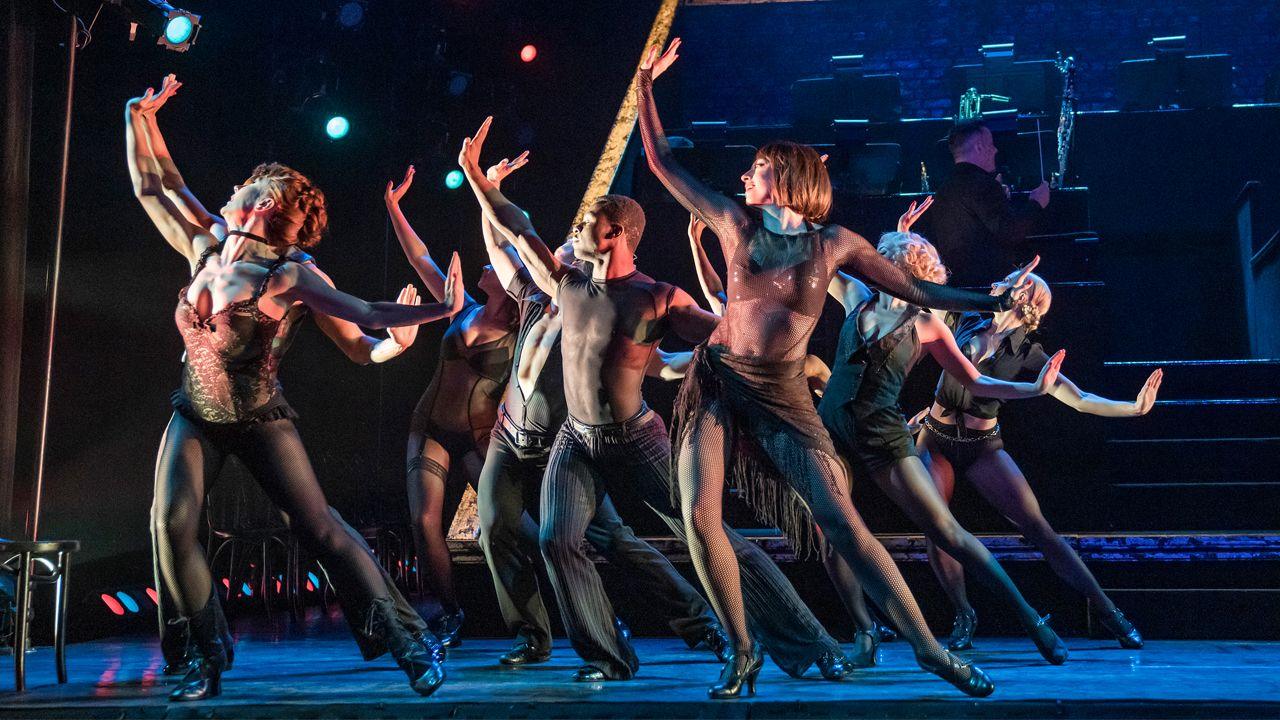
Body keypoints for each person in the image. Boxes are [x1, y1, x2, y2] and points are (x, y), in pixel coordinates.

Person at [637, 39, 1029, 699]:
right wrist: (645, 86)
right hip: (718, 383)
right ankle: (742, 651)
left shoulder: (836, 244)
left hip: (785, 396)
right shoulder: (734, 223)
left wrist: (990, 298)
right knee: (699, 513)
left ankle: (930, 651)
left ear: (784, 179)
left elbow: (920, 292)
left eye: (757, 169)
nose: (743, 178)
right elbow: (660, 158)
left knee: (842, 521)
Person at [458, 118, 854, 683]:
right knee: (555, 538)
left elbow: (726, 336)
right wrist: (476, 177)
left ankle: (811, 642)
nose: (579, 230)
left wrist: (786, 353)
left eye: (589, 223)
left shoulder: (656, 297)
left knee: (714, 537)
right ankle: (606, 658)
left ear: (616, 232)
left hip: (637, 440)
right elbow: (515, 226)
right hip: (577, 439)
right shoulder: (564, 285)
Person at [128, 75, 454, 700]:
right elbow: (155, 183)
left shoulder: (289, 275)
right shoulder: (208, 248)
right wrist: (135, 117)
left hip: (259, 418)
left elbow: (366, 321)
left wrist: (427, 320)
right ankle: (201, 657)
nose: (229, 190)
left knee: (321, 530)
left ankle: (409, 643)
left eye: (242, 188)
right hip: (194, 412)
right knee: (169, 523)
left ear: (264, 204)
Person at [815, 229, 1070, 669]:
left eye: (885, 261)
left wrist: (1033, 388)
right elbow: (823, 251)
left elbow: (975, 380)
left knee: (946, 531)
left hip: (883, 434)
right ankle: (864, 632)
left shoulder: (927, 322)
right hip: (831, 429)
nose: (872, 266)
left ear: (906, 273)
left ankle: (1030, 619)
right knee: (830, 533)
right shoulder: (856, 293)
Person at [914, 271, 1161, 652]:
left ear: (1029, 300)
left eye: (1020, 281)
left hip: (983, 446)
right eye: (1012, 277)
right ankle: (963, 613)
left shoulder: (1028, 352)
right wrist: (906, 240)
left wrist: (1132, 409)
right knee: (936, 525)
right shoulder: (963, 317)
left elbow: (1077, 397)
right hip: (936, 439)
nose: (1006, 281)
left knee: (1038, 528)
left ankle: (1110, 611)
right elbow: (921, 292)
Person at [385, 164, 518, 645]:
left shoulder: (520, 331)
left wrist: (493, 192)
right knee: (424, 522)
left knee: (504, 526)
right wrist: (394, 208)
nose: (486, 265)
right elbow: (421, 260)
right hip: (430, 427)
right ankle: (452, 612)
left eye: (495, 267)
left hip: (479, 436)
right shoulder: (461, 307)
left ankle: (525, 613)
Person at [920, 120, 1049, 286]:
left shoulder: (944, 189)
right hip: (990, 286)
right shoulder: (983, 185)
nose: (995, 150)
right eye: (991, 144)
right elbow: (1010, 232)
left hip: (957, 286)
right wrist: (1036, 203)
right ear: (979, 147)